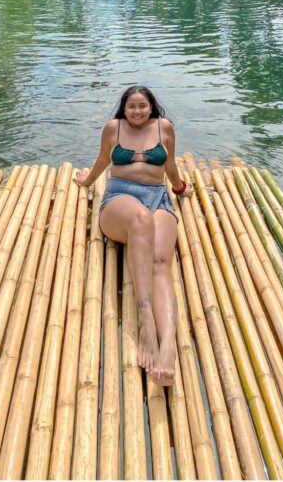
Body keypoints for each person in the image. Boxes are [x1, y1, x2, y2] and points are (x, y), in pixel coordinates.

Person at [73, 86, 194, 385]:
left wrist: (178, 188)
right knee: (140, 220)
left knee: (161, 261)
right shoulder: (113, 129)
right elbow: (103, 160)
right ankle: (145, 322)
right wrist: (87, 181)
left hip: (157, 197)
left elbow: (169, 164)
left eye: (142, 106)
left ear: (151, 107)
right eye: (131, 106)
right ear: (124, 109)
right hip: (120, 200)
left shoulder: (163, 127)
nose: (137, 111)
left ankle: (168, 345)